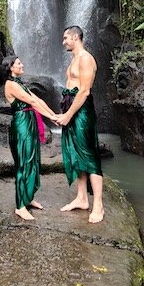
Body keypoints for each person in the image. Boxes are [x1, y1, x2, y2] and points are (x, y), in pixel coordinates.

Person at [56, 26, 104, 223]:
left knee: (89, 154)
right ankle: (82, 198)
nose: (63, 42)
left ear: (75, 37)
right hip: (71, 108)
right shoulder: (74, 59)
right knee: (75, 152)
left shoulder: (86, 59)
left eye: (66, 38)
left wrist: (68, 115)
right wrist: (64, 113)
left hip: (82, 112)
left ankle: (98, 205)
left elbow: (84, 91)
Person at [2, 54, 59, 220]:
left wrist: (54, 115)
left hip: (30, 122)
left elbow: (38, 100)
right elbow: (33, 103)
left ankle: (28, 197)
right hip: (22, 124)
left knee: (33, 160)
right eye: (19, 63)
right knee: (24, 161)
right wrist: (52, 117)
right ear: (10, 67)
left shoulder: (19, 83)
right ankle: (20, 206)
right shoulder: (11, 85)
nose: (22, 65)